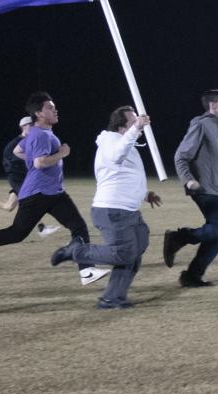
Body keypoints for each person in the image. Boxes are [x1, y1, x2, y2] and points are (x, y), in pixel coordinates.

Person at [0, 93, 92, 271]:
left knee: (78, 226)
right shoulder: (40, 135)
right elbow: (40, 162)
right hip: (37, 194)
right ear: (39, 113)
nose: (55, 110)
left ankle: (87, 270)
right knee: (16, 233)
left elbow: (17, 151)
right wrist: (62, 153)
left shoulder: (39, 133)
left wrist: (36, 158)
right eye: (50, 107)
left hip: (53, 192)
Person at [52, 106, 161, 309]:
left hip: (128, 209)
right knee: (124, 253)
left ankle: (112, 298)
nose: (139, 123)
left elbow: (122, 176)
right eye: (133, 121)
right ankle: (76, 251)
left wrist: (145, 194)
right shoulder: (112, 141)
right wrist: (136, 128)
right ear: (121, 126)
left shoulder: (126, 144)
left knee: (136, 249)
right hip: (112, 210)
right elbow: (116, 157)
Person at [162, 88, 218, 287]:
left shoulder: (217, 127)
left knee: (216, 235)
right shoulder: (201, 125)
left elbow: (217, 162)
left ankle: (192, 276)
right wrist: (188, 180)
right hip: (204, 190)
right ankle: (179, 237)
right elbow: (180, 156)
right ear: (213, 104)